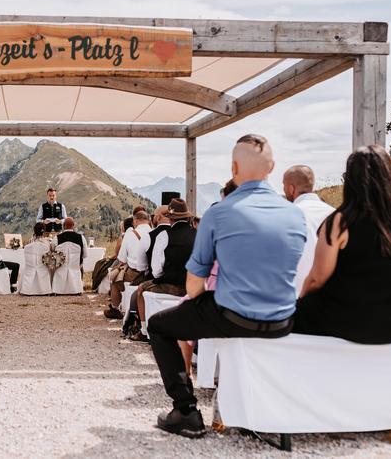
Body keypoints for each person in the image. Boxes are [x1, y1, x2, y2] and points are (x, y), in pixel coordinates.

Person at [147, 134, 306, 438]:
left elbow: (194, 285)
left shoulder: (219, 214)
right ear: (271, 167)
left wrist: (202, 302)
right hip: (284, 319)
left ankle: (186, 410)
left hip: (234, 316)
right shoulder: (294, 214)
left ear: (234, 167)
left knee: (159, 325)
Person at [295, 145, 391, 344]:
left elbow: (317, 278)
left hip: (349, 320)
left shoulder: (340, 222)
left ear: (351, 181)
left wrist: (300, 302)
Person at [131, 200, 196, 342]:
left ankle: (143, 330)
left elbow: (157, 269)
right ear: (187, 217)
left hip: (171, 286)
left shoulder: (164, 235)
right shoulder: (197, 234)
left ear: (171, 218)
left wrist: (162, 277)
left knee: (141, 289)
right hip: (192, 287)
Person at [282, 165, 334, 296]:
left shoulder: (287, 215)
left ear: (291, 188)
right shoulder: (334, 213)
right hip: (331, 297)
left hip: (298, 297)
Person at [104, 210, 152, 319]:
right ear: (148, 220)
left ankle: (115, 309)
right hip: (150, 273)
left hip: (135, 273)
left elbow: (122, 258)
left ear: (135, 221)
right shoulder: (153, 232)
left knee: (115, 280)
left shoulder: (130, 234)